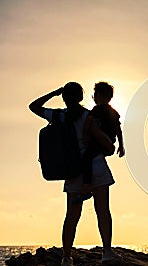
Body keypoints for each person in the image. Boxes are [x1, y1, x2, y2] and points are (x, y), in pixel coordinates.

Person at [29, 82, 122, 266]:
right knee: (103, 210)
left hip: (72, 172)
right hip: (96, 167)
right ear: (81, 97)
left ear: (64, 97)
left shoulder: (58, 115)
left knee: (72, 215)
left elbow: (33, 106)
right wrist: (111, 146)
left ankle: (65, 257)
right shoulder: (89, 115)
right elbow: (101, 138)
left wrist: (55, 93)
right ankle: (107, 252)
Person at [81, 81, 125, 194]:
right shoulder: (113, 112)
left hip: (98, 143)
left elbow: (88, 122)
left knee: (86, 158)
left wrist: (85, 136)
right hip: (109, 143)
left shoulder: (96, 110)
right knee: (91, 156)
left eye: (94, 95)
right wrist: (121, 145)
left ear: (99, 96)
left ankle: (87, 184)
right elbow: (118, 129)